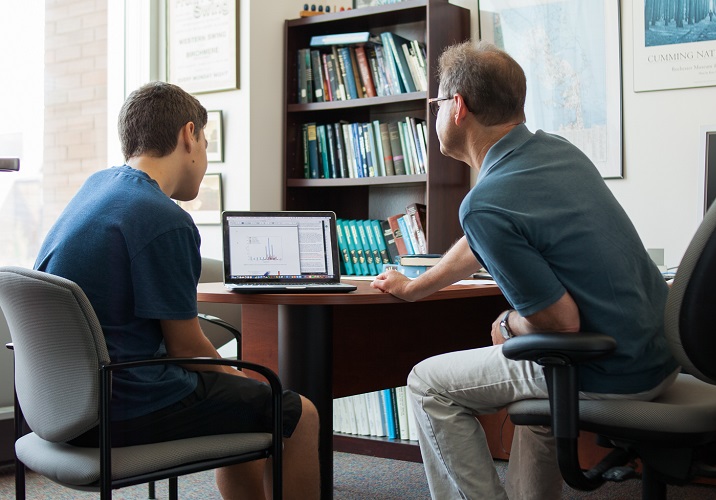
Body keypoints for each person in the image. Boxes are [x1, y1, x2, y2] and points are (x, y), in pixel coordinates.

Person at [371, 41, 679, 500]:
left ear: (457, 107)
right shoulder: (557, 152)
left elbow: (561, 323)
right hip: (659, 357)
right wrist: (416, 287)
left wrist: (506, 325)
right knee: (537, 399)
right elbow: (482, 241)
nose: (433, 114)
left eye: (434, 104)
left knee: (427, 384)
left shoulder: (487, 202)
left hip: (610, 372)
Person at [35, 81, 320, 500]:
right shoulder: (161, 217)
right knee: (298, 412)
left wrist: (236, 384)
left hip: (60, 403)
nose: (203, 158)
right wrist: (241, 378)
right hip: (126, 402)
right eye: (205, 142)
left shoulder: (96, 188)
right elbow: (187, 348)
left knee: (244, 401)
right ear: (189, 135)